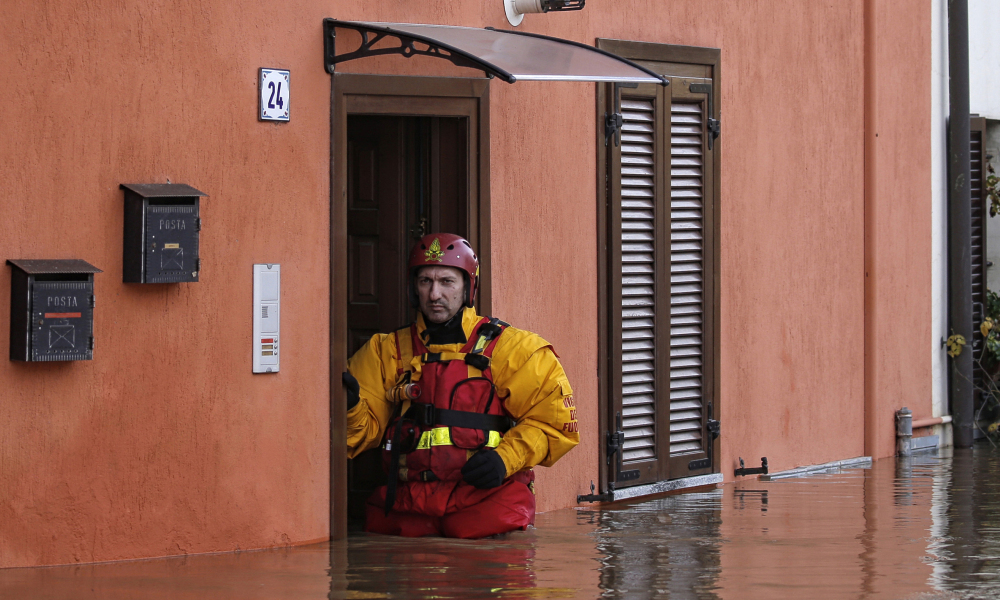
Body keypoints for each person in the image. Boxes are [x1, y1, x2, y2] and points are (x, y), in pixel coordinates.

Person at [343, 233, 579, 538]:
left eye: (446, 282)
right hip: (409, 506)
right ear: (413, 288)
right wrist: (348, 406)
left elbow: (556, 424)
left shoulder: (512, 349)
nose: (434, 294)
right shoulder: (385, 352)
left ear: (468, 287)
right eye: (425, 281)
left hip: (487, 501)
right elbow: (359, 436)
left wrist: (504, 460)